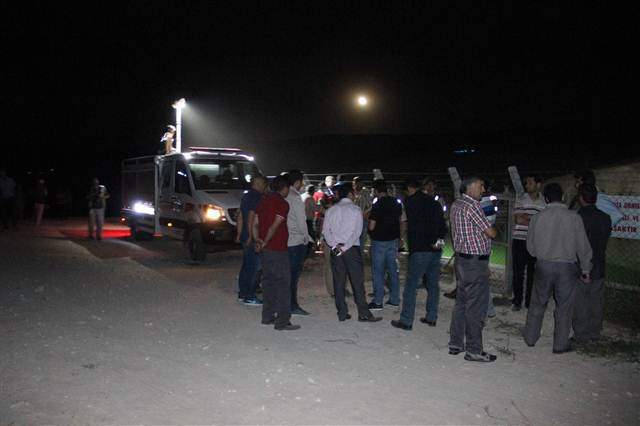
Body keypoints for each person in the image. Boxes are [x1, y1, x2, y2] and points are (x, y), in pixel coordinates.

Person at [523, 183, 592, 354]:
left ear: (546, 199)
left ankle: (530, 338)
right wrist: (585, 269)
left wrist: (540, 255)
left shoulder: (537, 218)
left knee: (538, 303)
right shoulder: (574, 217)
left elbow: (530, 247)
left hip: (543, 265)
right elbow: (583, 246)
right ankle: (560, 344)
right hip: (567, 267)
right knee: (564, 307)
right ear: (562, 197)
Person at [448, 177, 498, 362]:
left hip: (462, 259)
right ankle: (474, 350)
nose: (483, 189)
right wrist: (494, 228)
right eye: (480, 186)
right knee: (475, 306)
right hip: (475, 263)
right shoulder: (473, 205)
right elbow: (491, 232)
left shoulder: (456, 204)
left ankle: (455, 343)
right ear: (469, 187)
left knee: (461, 302)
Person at [391, 179, 447, 330]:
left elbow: (411, 223)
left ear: (410, 188)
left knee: (411, 285)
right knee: (433, 285)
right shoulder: (434, 202)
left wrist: (402, 240)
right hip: (436, 249)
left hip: (420, 248)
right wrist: (438, 242)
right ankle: (431, 317)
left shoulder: (411, 202)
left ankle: (406, 320)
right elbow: (443, 226)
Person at [323, 182, 382, 323]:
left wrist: (335, 246)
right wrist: (345, 247)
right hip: (351, 249)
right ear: (350, 194)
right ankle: (363, 313)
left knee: (339, 282)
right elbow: (357, 232)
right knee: (357, 282)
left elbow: (326, 231)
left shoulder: (331, 210)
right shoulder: (355, 210)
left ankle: (342, 313)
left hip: (336, 249)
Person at [254, 175, 300, 331]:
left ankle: (267, 316)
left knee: (268, 283)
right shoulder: (283, 204)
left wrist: (258, 240)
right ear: (285, 188)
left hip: (265, 250)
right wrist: (265, 241)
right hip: (278, 249)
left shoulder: (263, 201)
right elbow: (274, 226)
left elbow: (255, 223)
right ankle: (282, 321)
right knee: (283, 285)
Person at [572, 183, 611, 344]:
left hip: (581, 266)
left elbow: (575, 244)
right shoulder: (606, 218)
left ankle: (581, 334)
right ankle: (594, 333)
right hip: (599, 265)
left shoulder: (577, 217)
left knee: (581, 302)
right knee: (596, 301)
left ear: (581, 198)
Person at [511, 174, 546, 311]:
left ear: (538, 185)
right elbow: (518, 219)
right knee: (518, 273)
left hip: (536, 241)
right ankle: (517, 301)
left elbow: (544, 222)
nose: (527, 185)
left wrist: (527, 218)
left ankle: (529, 302)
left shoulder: (544, 201)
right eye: (526, 183)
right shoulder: (520, 198)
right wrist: (536, 219)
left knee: (533, 274)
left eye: (530, 183)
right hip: (519, 240)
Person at [368, 179, 403, 310]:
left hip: (379, 241)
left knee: (378, 272)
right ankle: (394, 299)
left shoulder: (377, 204)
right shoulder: (395, 202)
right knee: (393, 271)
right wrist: (400, 237)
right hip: (393, 240)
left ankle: (378, 301)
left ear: (376, 190)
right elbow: (401, 221)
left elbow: (372, 226)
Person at [235, 174, 268, 305]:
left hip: (245, 235)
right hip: (252, 236)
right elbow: (251, 217)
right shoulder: (257, 197)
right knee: (254, 267)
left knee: (246, 265)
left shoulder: (246, 196)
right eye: (264, 184)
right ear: (259, 184)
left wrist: (239, 234)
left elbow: (239, 215)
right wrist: (251, 236)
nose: (265, 187)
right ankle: (249, 295)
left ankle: (243, 292)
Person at [284, 170, 313, 316]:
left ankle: (284, 303)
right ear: (297, 182)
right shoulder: (295, 197)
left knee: (285, 274)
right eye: (302, 182)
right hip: (296, 241)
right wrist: (306, 238)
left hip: (285, 239)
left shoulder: (283, 194)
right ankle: (292, 306)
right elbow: (302, 222)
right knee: (293, 276)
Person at [352, 176, 372, 254]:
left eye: (357, 184)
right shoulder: (352, 192)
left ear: (361, 184)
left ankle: (360, 256)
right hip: (352, 220)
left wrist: (364, 214)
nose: (355, 185)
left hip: (362, 220)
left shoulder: (365, 192)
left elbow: (370, 206)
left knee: (361, 240)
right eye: (354, 184)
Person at [301, 184, 316, 255]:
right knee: (310, 237)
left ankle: (303, 251)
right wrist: (322, 208)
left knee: (303, 236)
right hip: (308, 220)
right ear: (313, 191)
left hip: (301, 219)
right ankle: (307, 253)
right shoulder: (310, 198)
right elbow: (315, 208)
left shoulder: (301, 196)